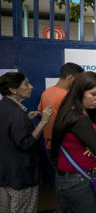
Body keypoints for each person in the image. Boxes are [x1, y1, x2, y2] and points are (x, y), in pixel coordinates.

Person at [51, 71, 96, 213]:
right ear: (79, 92)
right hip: (79, 181)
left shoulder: (75, 111)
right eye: (94, 94)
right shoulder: (79, 119)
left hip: (73, 178)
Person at [0, 72, 53, 213]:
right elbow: (25, 143)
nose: (31, 87)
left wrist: (26, 121)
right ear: (13, 89)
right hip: (21, 176)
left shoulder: (4, 106)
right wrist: (43, 122)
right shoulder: (17, 113)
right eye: (26, 84)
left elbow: (8, 133)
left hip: (5, 174)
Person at [38, 62, 83, 154]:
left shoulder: (46, 92)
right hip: (64, 146)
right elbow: (75, 123)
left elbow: (41, 112)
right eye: (78, 79)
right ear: (70, 77)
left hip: (49, 145)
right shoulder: (67, 96)